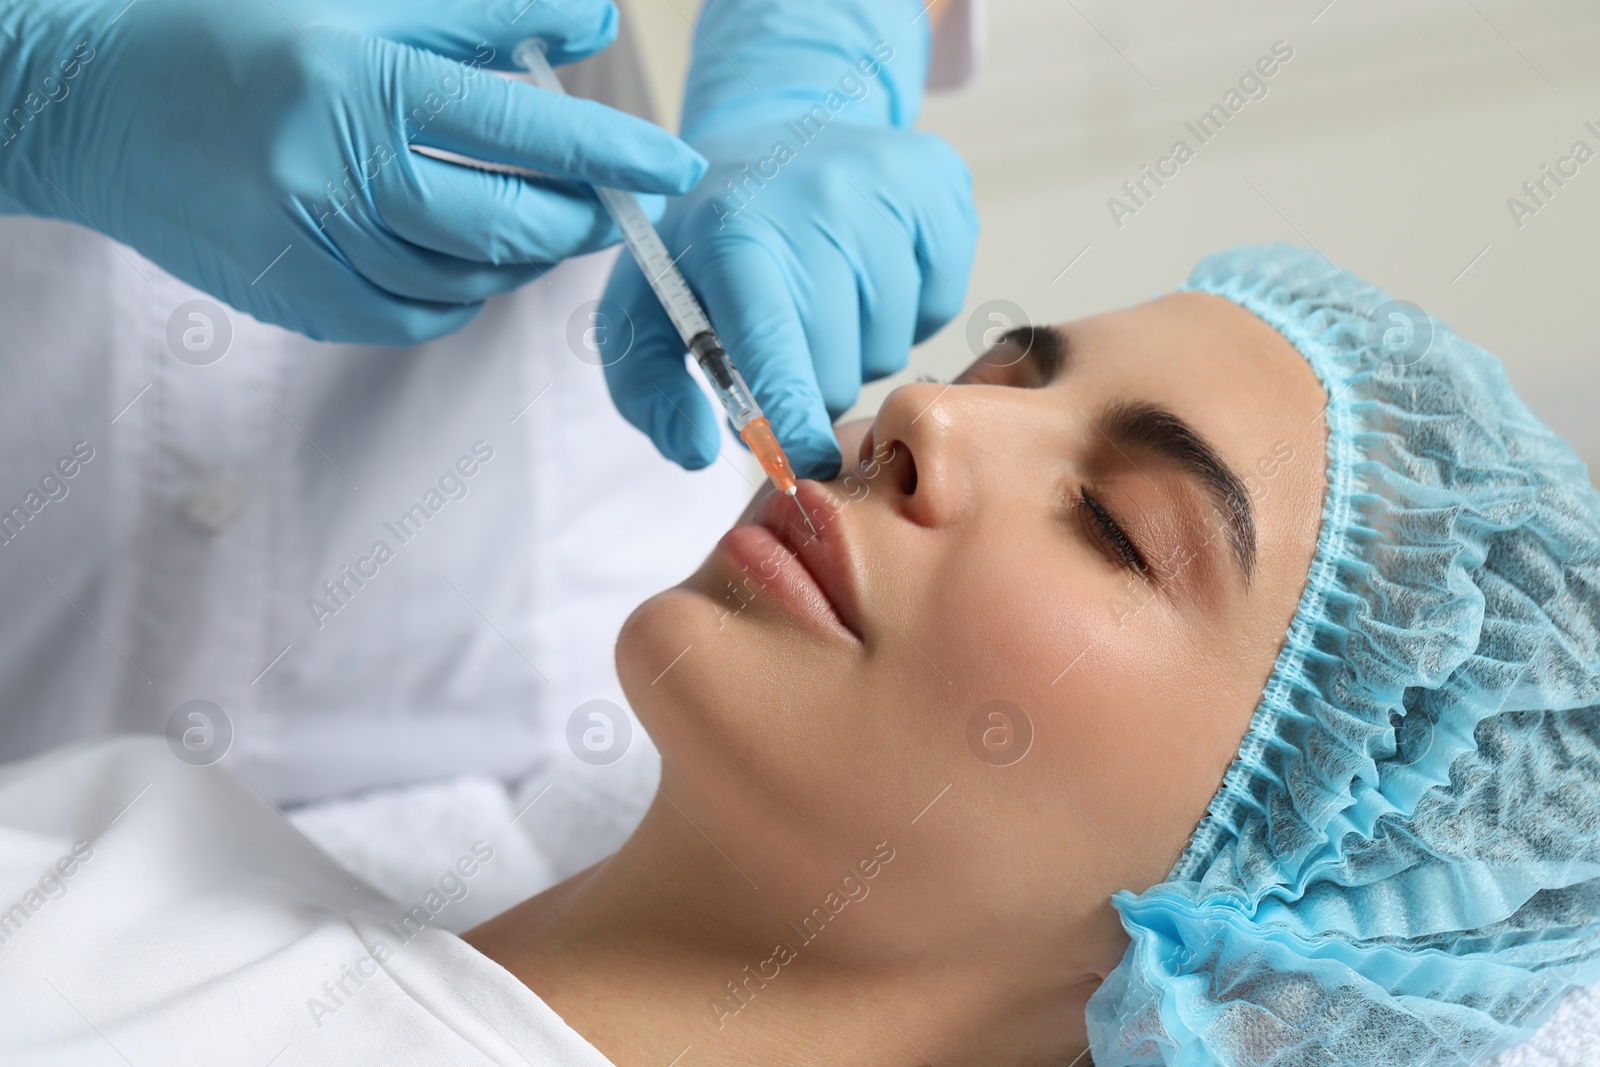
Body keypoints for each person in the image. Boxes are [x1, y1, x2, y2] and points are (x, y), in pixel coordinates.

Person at [1, 244, 1595, 1066]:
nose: (927, 410)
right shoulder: (110, 846)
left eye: (1115, 523)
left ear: (1263, 951)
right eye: (999, 366)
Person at [0, 0, 981, 846]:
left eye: (1114, 528)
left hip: (537, 678)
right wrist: (38, 87)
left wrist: (808, 77)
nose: (923, 419)